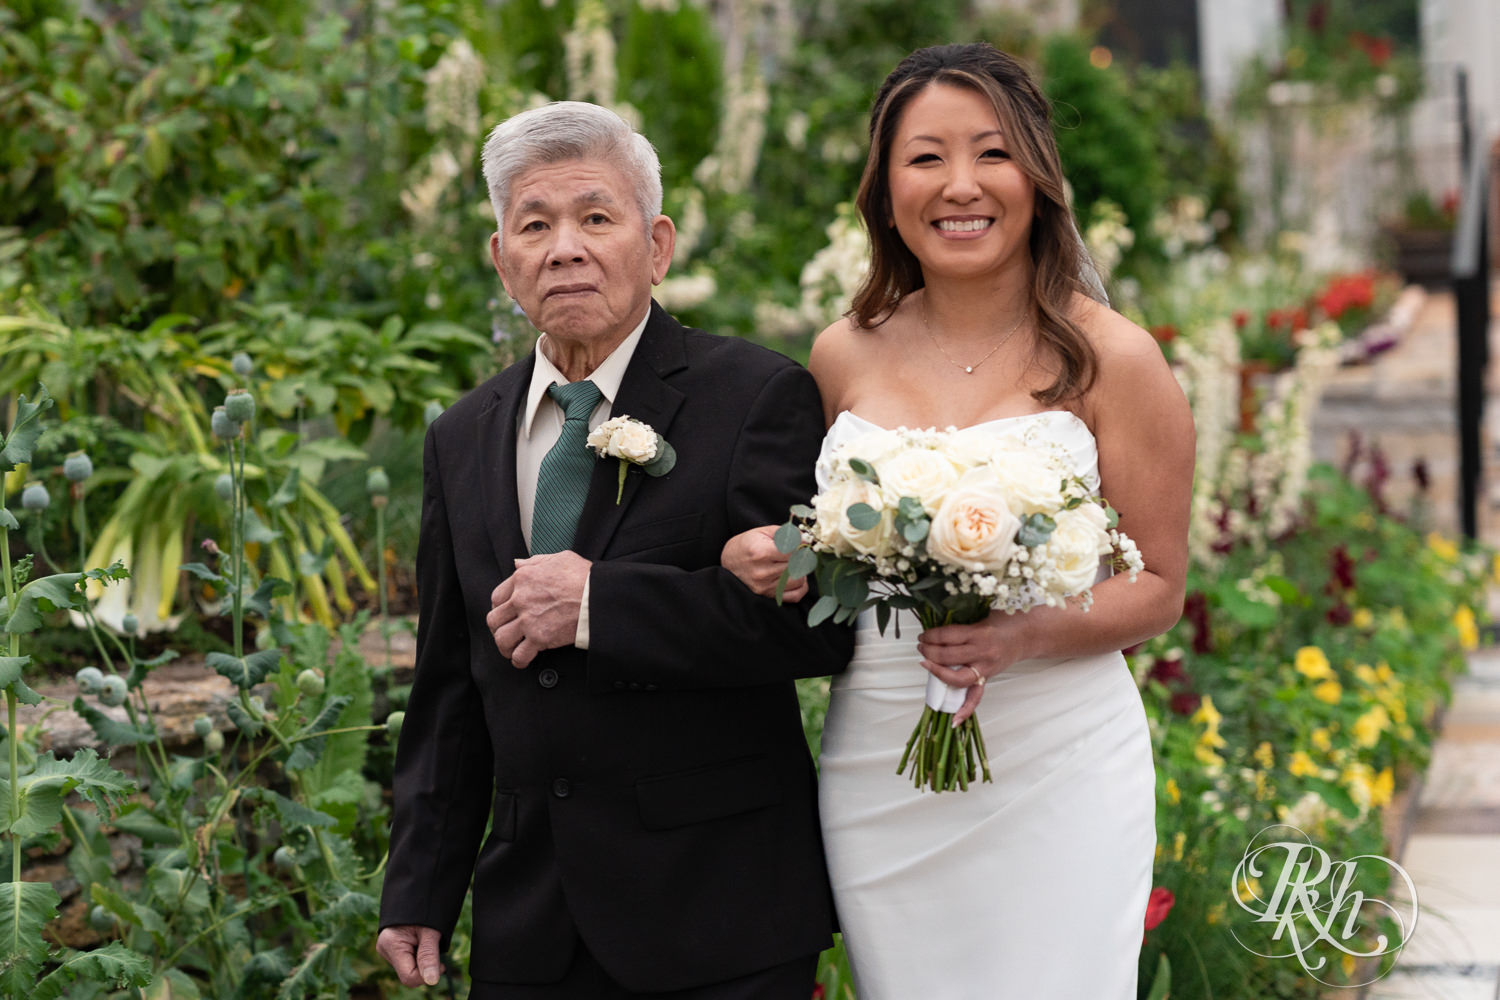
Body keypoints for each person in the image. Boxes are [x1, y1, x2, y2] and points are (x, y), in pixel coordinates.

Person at [721, 43, 1194, 998]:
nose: (960, 185)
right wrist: (778, 554)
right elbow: (830, 537)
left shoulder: (1116, 358)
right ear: (886, 188)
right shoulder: (841, 353)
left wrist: (1019, 637)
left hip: (1059, 760)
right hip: (885, 762)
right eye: (926, 157)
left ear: (1038, 177)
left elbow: (1157, 590)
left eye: (991, 153)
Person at [376, 100, 853, 999]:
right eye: (535, 224)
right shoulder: (461, 436)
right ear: (501, 258)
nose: (565, 247)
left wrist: (601, 607)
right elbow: (449, 681)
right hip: (531, 924)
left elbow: (817, 622)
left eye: (596, 217)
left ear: (658, 244)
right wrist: (419, 887)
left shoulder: (758, 397)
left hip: (717, 914)